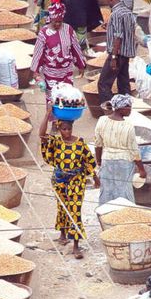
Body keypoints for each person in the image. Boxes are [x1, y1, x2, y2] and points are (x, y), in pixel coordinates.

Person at [39, 100, 98, 259]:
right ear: (59, 129)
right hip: (59, 179)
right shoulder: (56, 142)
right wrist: (47, 114)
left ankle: (76, 245)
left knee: (75, 210)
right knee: (62, 206)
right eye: (64, 129)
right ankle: (63, 235)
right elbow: (41, 135)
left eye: (69, 128)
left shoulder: (79, 143)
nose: (67, 131)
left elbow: (89, 161)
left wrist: (95, 177)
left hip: (76, 181)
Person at [94, 94, 146, 205]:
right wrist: (141, 169)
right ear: (121, 108)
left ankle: (105, 214)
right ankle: (124, 214)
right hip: (124, 163)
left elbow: (98, 145)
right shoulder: (128, 126)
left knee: (107, 190)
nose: (130, 109)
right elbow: (134, 151)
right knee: (124, 191)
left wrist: (99, 162)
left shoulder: (101, 121)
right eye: (128, 106)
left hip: (107, 160)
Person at [31, 0, 86, 102]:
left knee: (67, 97)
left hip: (66, 72)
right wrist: (35, 71)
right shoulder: (44, 33)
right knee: (53, 100)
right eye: (55, 21)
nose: (57, 24)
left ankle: (65, 118)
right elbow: (38, 53)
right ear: (50, 19)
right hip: (51, 73)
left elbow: (75, 48)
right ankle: (52, 118)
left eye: (60, 21)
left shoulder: (68, 29)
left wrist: (81, 65)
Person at [97, 0, 136, 105]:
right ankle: (126, 108)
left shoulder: (116, 14)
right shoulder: (128, 12)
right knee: (123, 84)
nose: (108, 3)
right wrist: (109, 26)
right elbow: (129, 31)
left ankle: (110, 110)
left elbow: (118, 37)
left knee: (103, 83)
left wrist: (113, 57)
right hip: (126, 54)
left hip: (117, 54)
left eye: (108, 1)